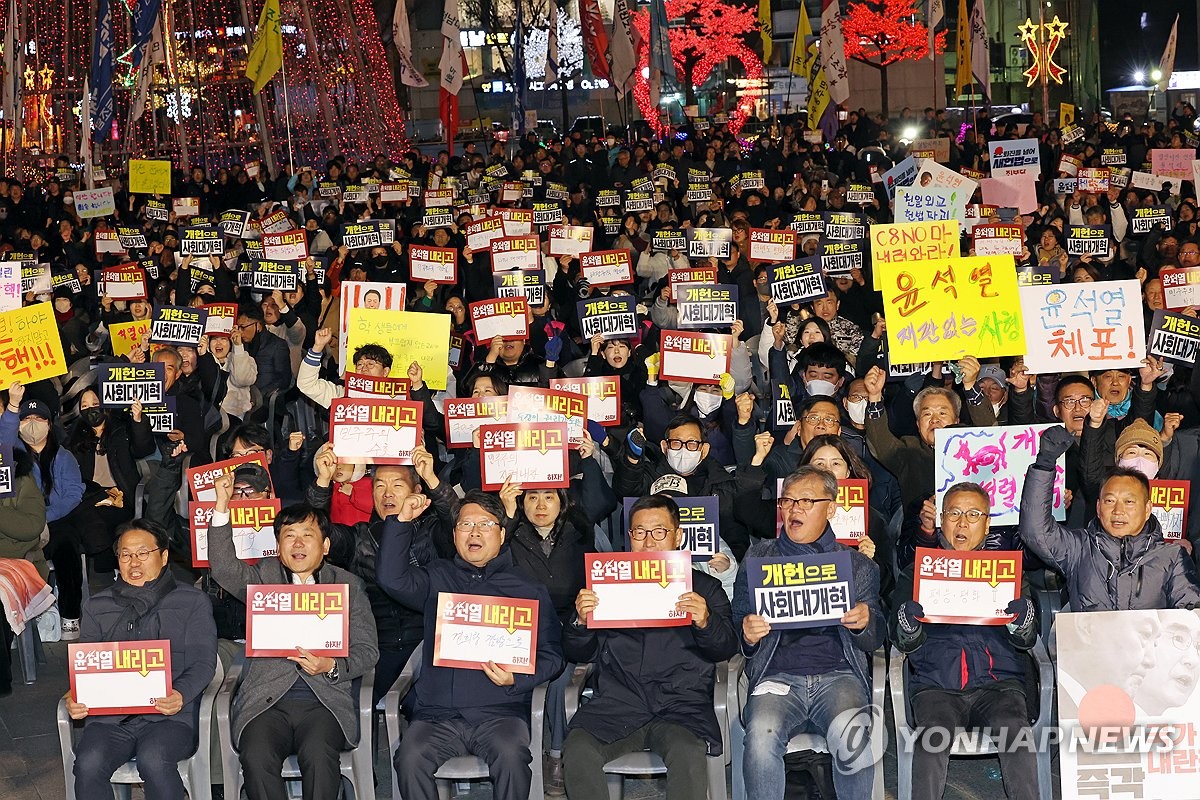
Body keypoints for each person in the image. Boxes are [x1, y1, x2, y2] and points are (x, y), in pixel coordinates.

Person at [376, 489, 564, 800]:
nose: (474, 533)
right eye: (465, 525)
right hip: (437, 715)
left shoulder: (526, 589)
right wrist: (402, 522)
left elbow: (553, 655)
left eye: (485, 525)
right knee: (409, 758)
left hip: (500, 713)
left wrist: (517, 678)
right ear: (454, 534)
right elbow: (391, 580)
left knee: (512, 758)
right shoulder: (437, 578)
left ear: (502, 534)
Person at [207, 471, 379, 800]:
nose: (297, 544)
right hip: (266, 703)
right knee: (256, 757)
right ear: (278, 545)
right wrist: (221, 506)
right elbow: (225, 569)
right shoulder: (265, 577)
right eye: (289, 536)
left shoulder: (347, 586)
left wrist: (331, 665)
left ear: (325, 545)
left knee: (318, 754)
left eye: (307, 535)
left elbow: (367, 650)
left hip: (323, 702)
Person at [562, 494, 738, 800]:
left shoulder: (704, 588)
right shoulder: (606, 584)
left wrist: (706, 622)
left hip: (681, 705)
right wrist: (580, 621)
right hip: (619, 702)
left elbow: (725, 649)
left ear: (678, 536)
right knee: (577, 749)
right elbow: (579, 654)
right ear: (629, 537)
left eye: (659, 532)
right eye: (639, 532)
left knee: (687, 753)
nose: (648, 542)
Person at [734, 465, 884, 800]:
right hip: (778, 676)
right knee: (760, 735)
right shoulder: (759, 557)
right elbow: (738, 621)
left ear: (831, 508)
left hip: (838, 676)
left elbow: (875, 636)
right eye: (787, 502)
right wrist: (748, 633)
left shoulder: (856, 564)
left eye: (805, 501)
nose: (793, 509)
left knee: (853, 735)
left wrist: (864, 621)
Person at [892, 482, 1039, 800]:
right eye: (954, 513)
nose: (962, 523)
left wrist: (1021, 621)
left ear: (987, 523)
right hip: (937, 686)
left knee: (1017, 735)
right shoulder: (918, 571)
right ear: (941, 519)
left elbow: (1028, 639)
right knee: (932, 740)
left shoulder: (1007, 572)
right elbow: (901, 640)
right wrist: (908, 624)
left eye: (973, 514)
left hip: (998, 685)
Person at [65, 519, 218, 800]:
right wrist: (77, 695)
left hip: (169, 717)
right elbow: (87, 663)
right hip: (110, 721)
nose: (134, 562)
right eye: (125, 554)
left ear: (164, 556)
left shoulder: (191, 602)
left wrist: (180, 694)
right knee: (88, 764)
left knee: (155, 759)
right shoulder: (97, 605)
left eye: (143, 553)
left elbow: (203, 661)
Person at [1020, 426, 1200, 610]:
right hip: (1088, 639)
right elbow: (1036, 532)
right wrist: (1044, 464)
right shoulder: (1078, 548)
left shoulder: (1172, 556)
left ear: (1147, 509)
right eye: (1110, 501)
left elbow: (1188, 615)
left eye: (1129, 502)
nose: (1118, 510)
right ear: (1098, 508)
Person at [3, 385, 85, 640]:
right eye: (26, 419)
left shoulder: (64, 457)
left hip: (56, 521)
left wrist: (43, 518)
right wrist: (13, 406)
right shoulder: (11, 457)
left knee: (67, 549)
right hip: (19, 523)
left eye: (39, 419)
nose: (32, 425)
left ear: (50, 425)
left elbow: (73, 494)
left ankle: (70, 615)